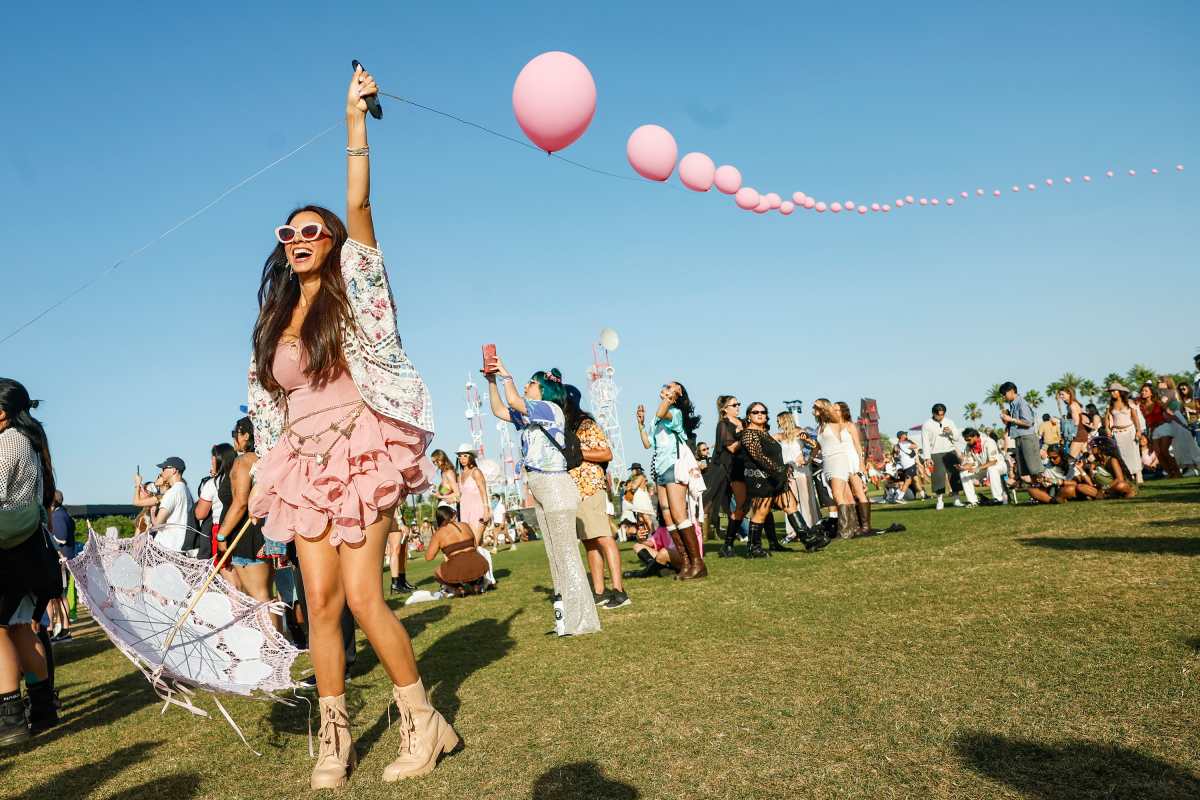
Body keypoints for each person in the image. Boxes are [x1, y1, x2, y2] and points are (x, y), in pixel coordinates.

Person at [244, 67, 456, 788]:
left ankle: (423, 722)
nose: (299, 239)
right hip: (302, 467)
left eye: (312, 231)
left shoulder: (356, 291)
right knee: (321, 607)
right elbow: (267, 406)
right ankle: (336, 739)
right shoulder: (276, 320)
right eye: (289, 233)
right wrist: (256, 477)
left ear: (332, 242)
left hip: (363, 452)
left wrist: (352, 121)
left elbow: (359, 200)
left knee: (366, 597)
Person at [485, 357, 600, 637]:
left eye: (532, 382)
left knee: (567, 553)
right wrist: (490, 381)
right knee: (554, 554)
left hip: (555, 485)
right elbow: (500, 409)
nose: (527, 385)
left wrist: (507, 376)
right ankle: (565, 616)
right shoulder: (531, 415)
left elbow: (513, 401)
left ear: (544, 389)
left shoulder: (549, 409)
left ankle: (582, 619)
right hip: (539, 486)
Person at [0, 379, 61, 744]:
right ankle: (42, 708)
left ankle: (9, 718)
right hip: (27, 547)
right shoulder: (30, 443)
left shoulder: (6, 443)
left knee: (2, 629)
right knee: (23, 626)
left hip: (6, 548)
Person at [564, 385, 629, 609]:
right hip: (576, 491)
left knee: (603, 537)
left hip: (590, 487)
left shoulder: (587, 424)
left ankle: (619, 591)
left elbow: (606, 453)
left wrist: (577, 453)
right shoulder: (570, 427)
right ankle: (599, 592)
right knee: (589, 542)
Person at [636, 382, 706, 580]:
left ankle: (698, 563)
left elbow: (660, 413)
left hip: (674, 467)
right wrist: (640, 424)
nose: (665, 387)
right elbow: (647, 443)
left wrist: (670, 397)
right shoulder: (659, 418)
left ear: (678, 393)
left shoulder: (674, 413)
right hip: (660, 471)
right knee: (668, 517)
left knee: (679, 515)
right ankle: (686, 562)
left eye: (671, 386)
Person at [740, 402, 828, 555]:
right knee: (761, 512)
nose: (760, 414)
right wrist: (781, 469)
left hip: (776, 477)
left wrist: (783, 468)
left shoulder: (764, 433)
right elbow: (758, 457)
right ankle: (753, 548)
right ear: (749, 415)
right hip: (760, 479)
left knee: (791, 505)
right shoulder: (749, 434)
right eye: (755, 412)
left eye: (763, 412)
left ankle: (808, 540)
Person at [712, 395, 749, 557]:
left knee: (762, 503)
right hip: (733, 468)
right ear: (724, 409)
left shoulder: (743, 422)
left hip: (750, 465)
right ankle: (727, 544)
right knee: (741, 506)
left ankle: (769, 541)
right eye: (734, 404)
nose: (738, 406)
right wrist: (744, 435)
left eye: (738, 404)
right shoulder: (723, 425)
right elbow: (732, 448)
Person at [425, 506, 491, 596]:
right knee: (468, 563)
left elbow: (429, 557)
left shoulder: (439, 533)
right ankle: (476, 585)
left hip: (458, 565)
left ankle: (458, 589)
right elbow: (475, 546)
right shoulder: (465, 525)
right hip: (479, 564)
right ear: (452, 516)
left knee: (437, 573)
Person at [775, 411, 822, 532]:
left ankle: (812, 527)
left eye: (779, 420)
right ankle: (795, 531)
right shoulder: (779, 436)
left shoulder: (800, 432)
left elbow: (816, 446)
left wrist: (808, 460)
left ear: (786, 420)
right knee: (791, 501)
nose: (777, 422)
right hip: (788, 472)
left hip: (801, 470)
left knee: (806, 499)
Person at [136, 457, 194, 551]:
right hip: (179, 544)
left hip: (166, 546)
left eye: (164, 469)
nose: (161, 472)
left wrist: (152, 512)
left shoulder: (172, 492)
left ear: (174, 470)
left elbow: (157, 524)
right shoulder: (185, 490)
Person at [921, 403, 967, 510]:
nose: (941, 417)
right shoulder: (927, 424)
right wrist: (927, 457)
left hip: (950, 451)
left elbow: (956, 437)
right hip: (935, 453)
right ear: (933, 413)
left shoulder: (949, 422)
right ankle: (940, 501)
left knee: (954, 475)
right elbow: (925, 442)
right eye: (939, 415)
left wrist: (950, 432)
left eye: (942, 414)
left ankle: (956, 499)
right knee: (938, 477)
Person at [999, 383, 1044, 486]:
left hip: (1027, 437)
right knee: (1028, 470)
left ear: (1011, 391)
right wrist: (1007, 419)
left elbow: (1028, 422)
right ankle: (1037, 493)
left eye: (1004, 394)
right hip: (1019, 438)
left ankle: (1045, 491)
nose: (1003, 397)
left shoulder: (1021, 403)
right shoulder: (1013, 404)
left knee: (1035, 469)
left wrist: (1011, 419)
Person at [46, 490, 75, 641]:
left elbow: (61, 539)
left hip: (61, 562)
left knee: (60, 597)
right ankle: (59, 629)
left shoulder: (58, 516)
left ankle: (64, 630)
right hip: (62, 561)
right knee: (56, 597)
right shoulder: (63, 514)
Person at [1136, 383, 1180, 478]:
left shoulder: (1158, 402)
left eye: (1146, 391)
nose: (1143, 392)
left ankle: (1177, 472)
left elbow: (1169, 412)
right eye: (1142, 391)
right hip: (1153, 430)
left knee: (1164, 451)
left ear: (1151, 393)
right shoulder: (1141, 406)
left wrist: (1181, 423)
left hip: (1164, 427)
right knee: (1158, 454)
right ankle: (1170, 474)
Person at [1104, 382, 1144, 486]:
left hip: (1130, 430)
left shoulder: (1129, 403)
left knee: (1134, 453)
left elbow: (1135, 418)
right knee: (1122, 455)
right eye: (1111, 392)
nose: (1112, 393)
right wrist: (1107, 429)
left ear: (1120, 392)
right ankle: (1128, 476)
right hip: (1117, 432)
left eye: (1114, 391)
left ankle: (1139, 476)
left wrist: (1138, 431)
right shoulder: (1110, 405)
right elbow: (1107, 418)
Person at [959, 428, 1008, 504]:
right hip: (983, 468)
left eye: (969, 440)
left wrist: (978, 468)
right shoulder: (968, 446)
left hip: (999, 466)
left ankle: (998, 498)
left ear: (975, 436)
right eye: (966, 440)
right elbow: (970, 462)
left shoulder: (989, 442)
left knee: (992, 469)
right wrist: (963, 467)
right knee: (963, 473)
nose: (967, 442)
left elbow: (993, 461)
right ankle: (972, 501)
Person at [621, 463, 655, 532]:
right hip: (638, 499)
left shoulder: (641, 477)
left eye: (632, 470)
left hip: (642, 498)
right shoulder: (637, 477)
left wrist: (630, 485)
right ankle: (647, 534)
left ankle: (654, 534)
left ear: (636, 470)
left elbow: (634, 486)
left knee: (646, 517)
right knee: (641, 519)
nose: (632, 472)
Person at [387, 516, 416, 594]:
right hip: (394, 519)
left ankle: (402, 581)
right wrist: (400, 523)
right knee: (395, 550)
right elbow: (392, 505)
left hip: (399, 518)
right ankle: (395, 584)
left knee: (403, 551)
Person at [1058, 388, 1088, 459]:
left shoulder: (1072, 405)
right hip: (1081, 432)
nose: (1061, 396)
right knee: (1088, 457)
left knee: (1071, 458)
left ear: (1069, 394)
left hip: (1078, 434)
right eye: (1060, 395)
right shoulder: (1071, 405)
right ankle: (1100, 468)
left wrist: (1071, 435)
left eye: (1063, 394)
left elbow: (1076, 422)